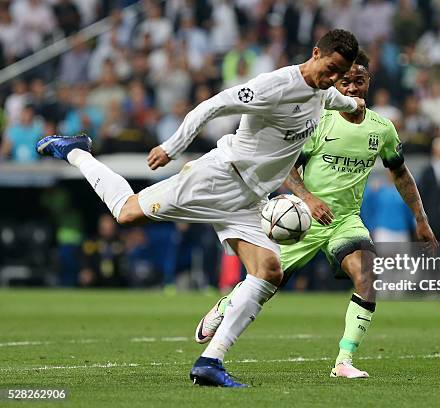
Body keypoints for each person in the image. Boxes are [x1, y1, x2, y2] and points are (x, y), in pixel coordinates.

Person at [36, 29, 364, 388]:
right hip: (218, 178)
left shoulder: (323, 92)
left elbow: (338, 101)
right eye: (330, 68)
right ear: (316, 53)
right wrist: (172, 147)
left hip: (250, 200)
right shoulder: (275, 85)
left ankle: (210, 362)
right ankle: (75, 150)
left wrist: (355, 106)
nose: (333, 78)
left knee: (270, 271)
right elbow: (212, 106)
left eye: (341, 74)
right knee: (126, 213)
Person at [194, 50, 438, 379]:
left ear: (368, 83)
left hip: (345, 221)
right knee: (265, 284)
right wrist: (308, 199)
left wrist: (421, 220)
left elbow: (400, 173)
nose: (351, 87)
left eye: (359, 80)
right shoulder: (319, 119)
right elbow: (286, 166)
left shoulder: (383, 129)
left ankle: (344, 361)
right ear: (336, 81)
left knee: (367, 277)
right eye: (346, 80)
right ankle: (224, 308)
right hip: (303, 221)